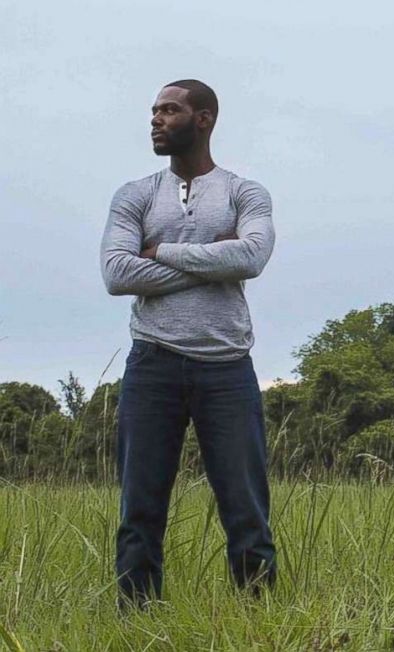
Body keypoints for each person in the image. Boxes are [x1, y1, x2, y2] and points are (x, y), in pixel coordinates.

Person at [100, 79, 276, 606]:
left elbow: (251, 258)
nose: (155, 119)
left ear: (203, 119)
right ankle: (136, 623)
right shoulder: (134, 194)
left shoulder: (246, 192)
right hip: (152, 364)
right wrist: (209, 262)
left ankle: (258, 618)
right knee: (140, 509)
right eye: (154, 110)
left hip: (226, 367)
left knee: (245, 509)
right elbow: (115, 271)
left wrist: (158, 253)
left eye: (169, 110)